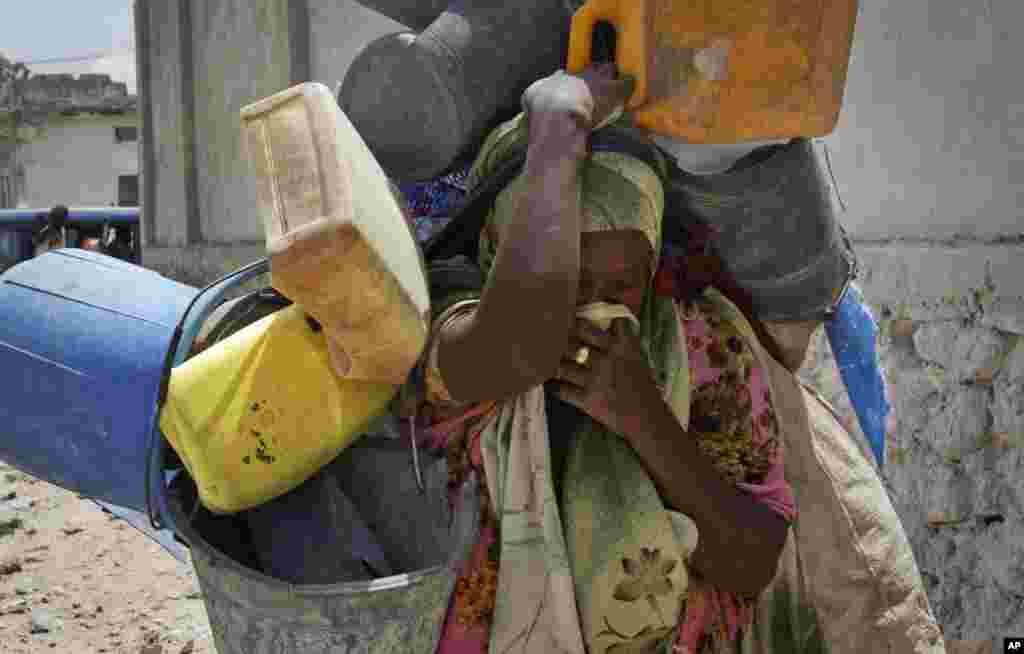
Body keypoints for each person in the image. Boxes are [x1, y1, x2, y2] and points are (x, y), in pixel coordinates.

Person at [410, 65, 796, 654]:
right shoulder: (453, 330)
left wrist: (644, 417)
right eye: (571, 282)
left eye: (621, 287)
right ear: (501, 252)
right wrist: (557, 129)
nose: (593, 307)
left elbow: (751, 563)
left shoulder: (701, 343)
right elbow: (520, 341)